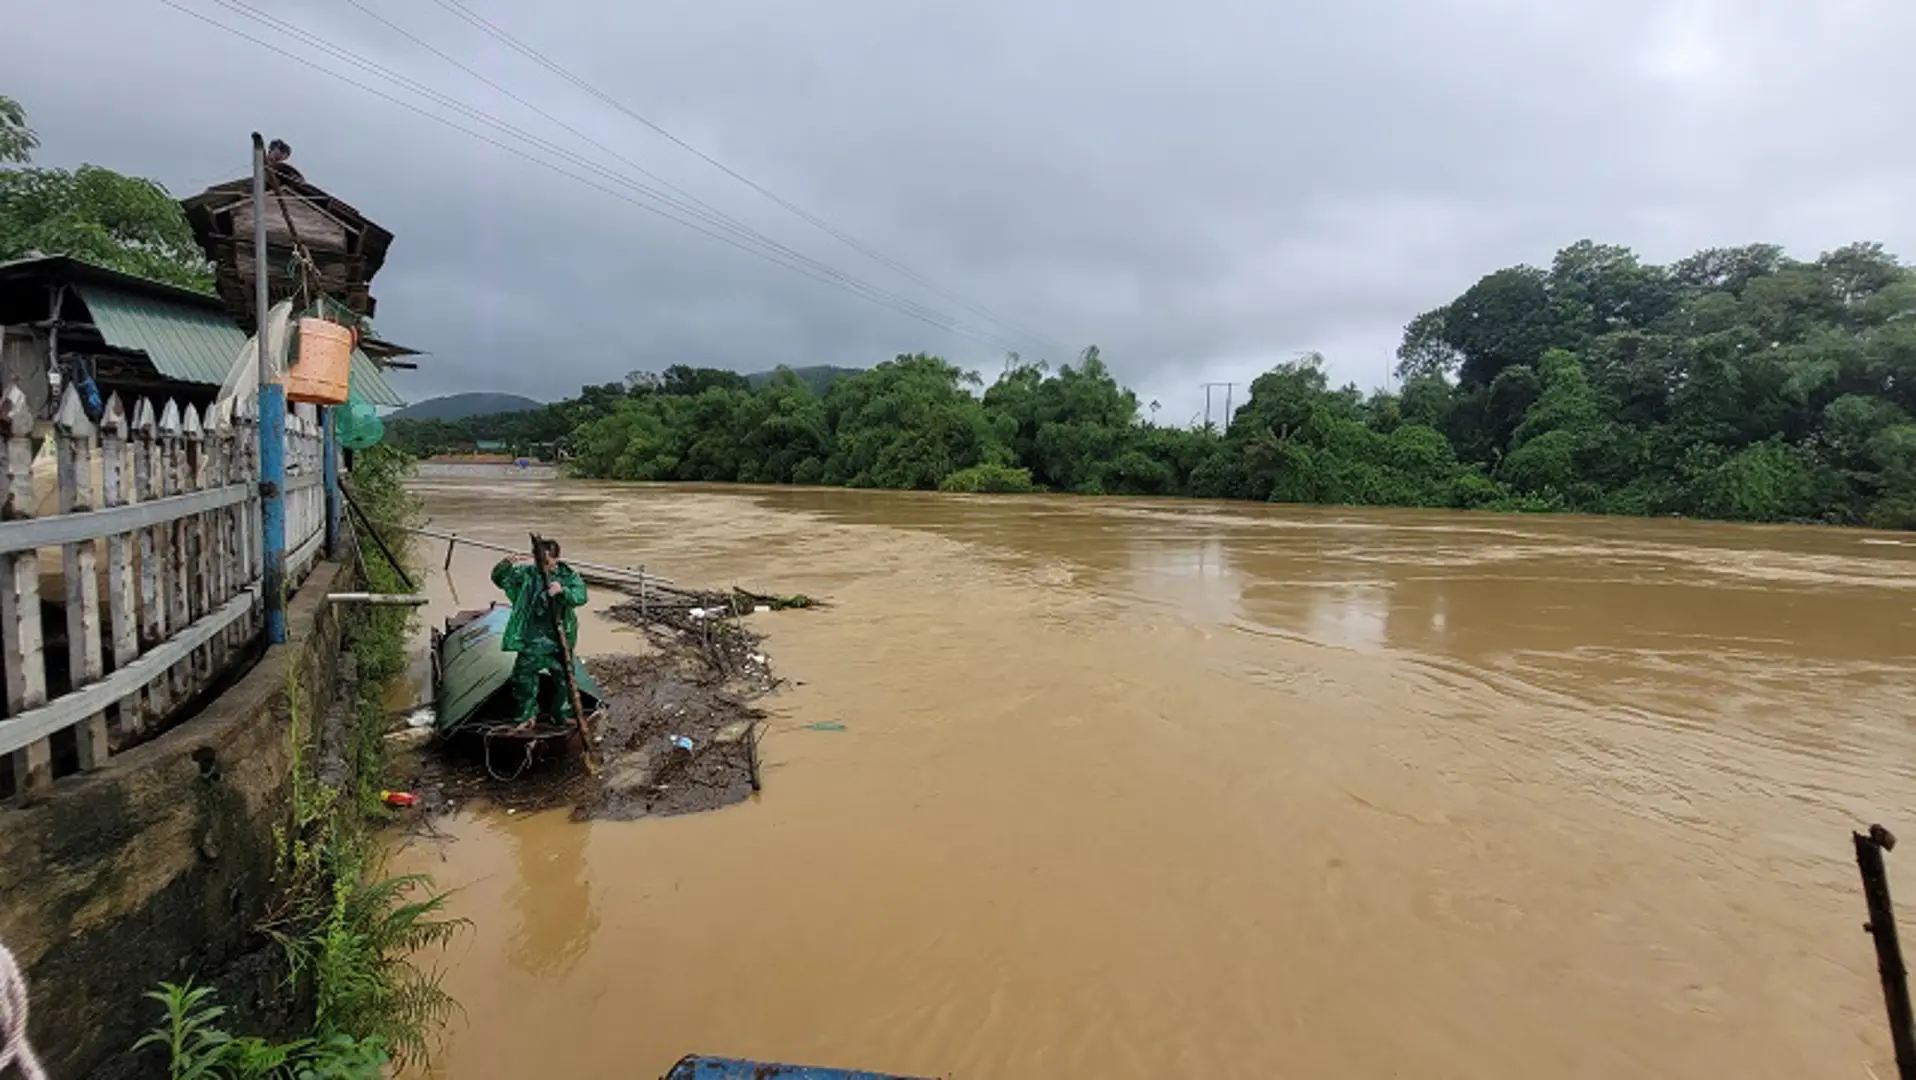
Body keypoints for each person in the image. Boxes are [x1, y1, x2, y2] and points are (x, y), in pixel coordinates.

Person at [490, 539, 588, 733]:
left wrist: (563, 591)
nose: (542, 566)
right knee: (523, 679)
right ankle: (526, 716)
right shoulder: (528, 574)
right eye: (538, 561)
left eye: (546, 562)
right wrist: (504, 565)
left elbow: (581, 596)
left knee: (565, 679)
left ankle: (561, 715)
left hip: (558, 640)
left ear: (556, 559)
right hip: (532, 638)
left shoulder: (568, 576)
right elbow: (501, 580)